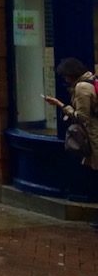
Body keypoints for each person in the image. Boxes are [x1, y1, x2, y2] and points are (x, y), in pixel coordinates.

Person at [44, 57, 98, 229]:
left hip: (94, 137)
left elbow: (82, 116)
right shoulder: (91, 78)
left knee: (95, 177)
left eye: (65, 76)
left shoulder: (82, 87)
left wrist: (61, 105)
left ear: (70, 74)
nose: (65, 79)